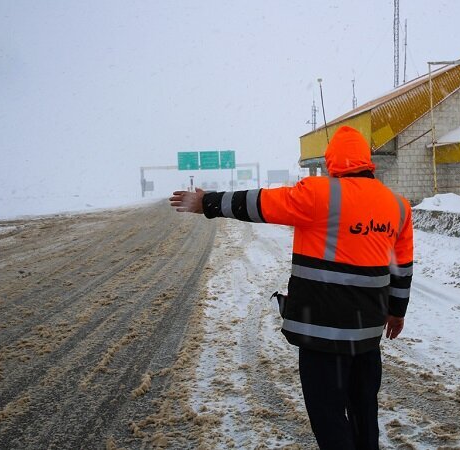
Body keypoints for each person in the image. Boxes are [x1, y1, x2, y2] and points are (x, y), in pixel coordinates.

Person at [169, 126, 413, 449]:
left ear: (332, 163)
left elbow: (259, 203)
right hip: (367, 337)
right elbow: (403, 267)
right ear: (368, 162)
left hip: (322, 337)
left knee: (329, 419)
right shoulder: (397, 206)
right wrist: (397, 313)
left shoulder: (317, 194)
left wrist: (208, 203)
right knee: (365, 412)